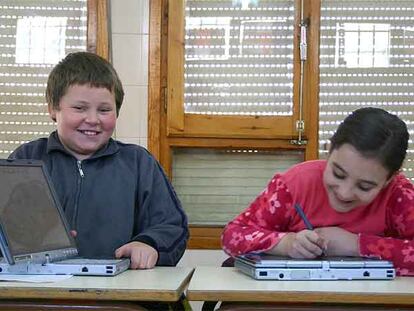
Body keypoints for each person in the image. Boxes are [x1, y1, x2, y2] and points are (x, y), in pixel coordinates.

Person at [9, 51, 189, 269]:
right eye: (79, 108)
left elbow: (172, 226)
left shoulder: (138, 163)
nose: (93, 119)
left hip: (121, 294)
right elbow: (7, 226)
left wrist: (148, 244)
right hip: (38, 290)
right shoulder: (26, 159)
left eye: (104, 110)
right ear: (53, 109)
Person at [222, 107, 414, 276]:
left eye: (365, 186)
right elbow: (232, 236)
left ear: (390, 178)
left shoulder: (397, 195)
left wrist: (356, 245)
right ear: (328, 151)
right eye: (338, 174)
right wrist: (287, 243)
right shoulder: (294, 184)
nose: (345, 193)